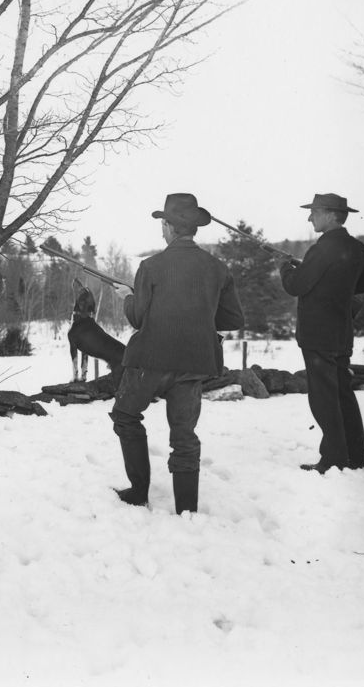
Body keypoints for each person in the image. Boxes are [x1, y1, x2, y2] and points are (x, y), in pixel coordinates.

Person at [111, 193, 245, 514]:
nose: (162, 228)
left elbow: (139, 317)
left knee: (126, 416)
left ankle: (138, 492)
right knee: (184, 436)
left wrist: (127, 298)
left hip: (150, 363)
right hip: (195, 363)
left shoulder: (150, 267)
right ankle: (187, 511)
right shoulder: (218, 268)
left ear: (170, 227)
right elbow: (233, 320)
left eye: (163, 223)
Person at [278, 193, 364, 473]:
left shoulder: (322, 248)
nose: (310, 217)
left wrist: (284, 268)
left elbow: (296, 286)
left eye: (314, 211)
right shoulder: (356, 247)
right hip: (341, 332)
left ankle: (335, 459)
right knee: (343, 394)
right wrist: (340, 288)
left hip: (317, 335)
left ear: (330, 214)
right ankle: (357, 456)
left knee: (324, 398)